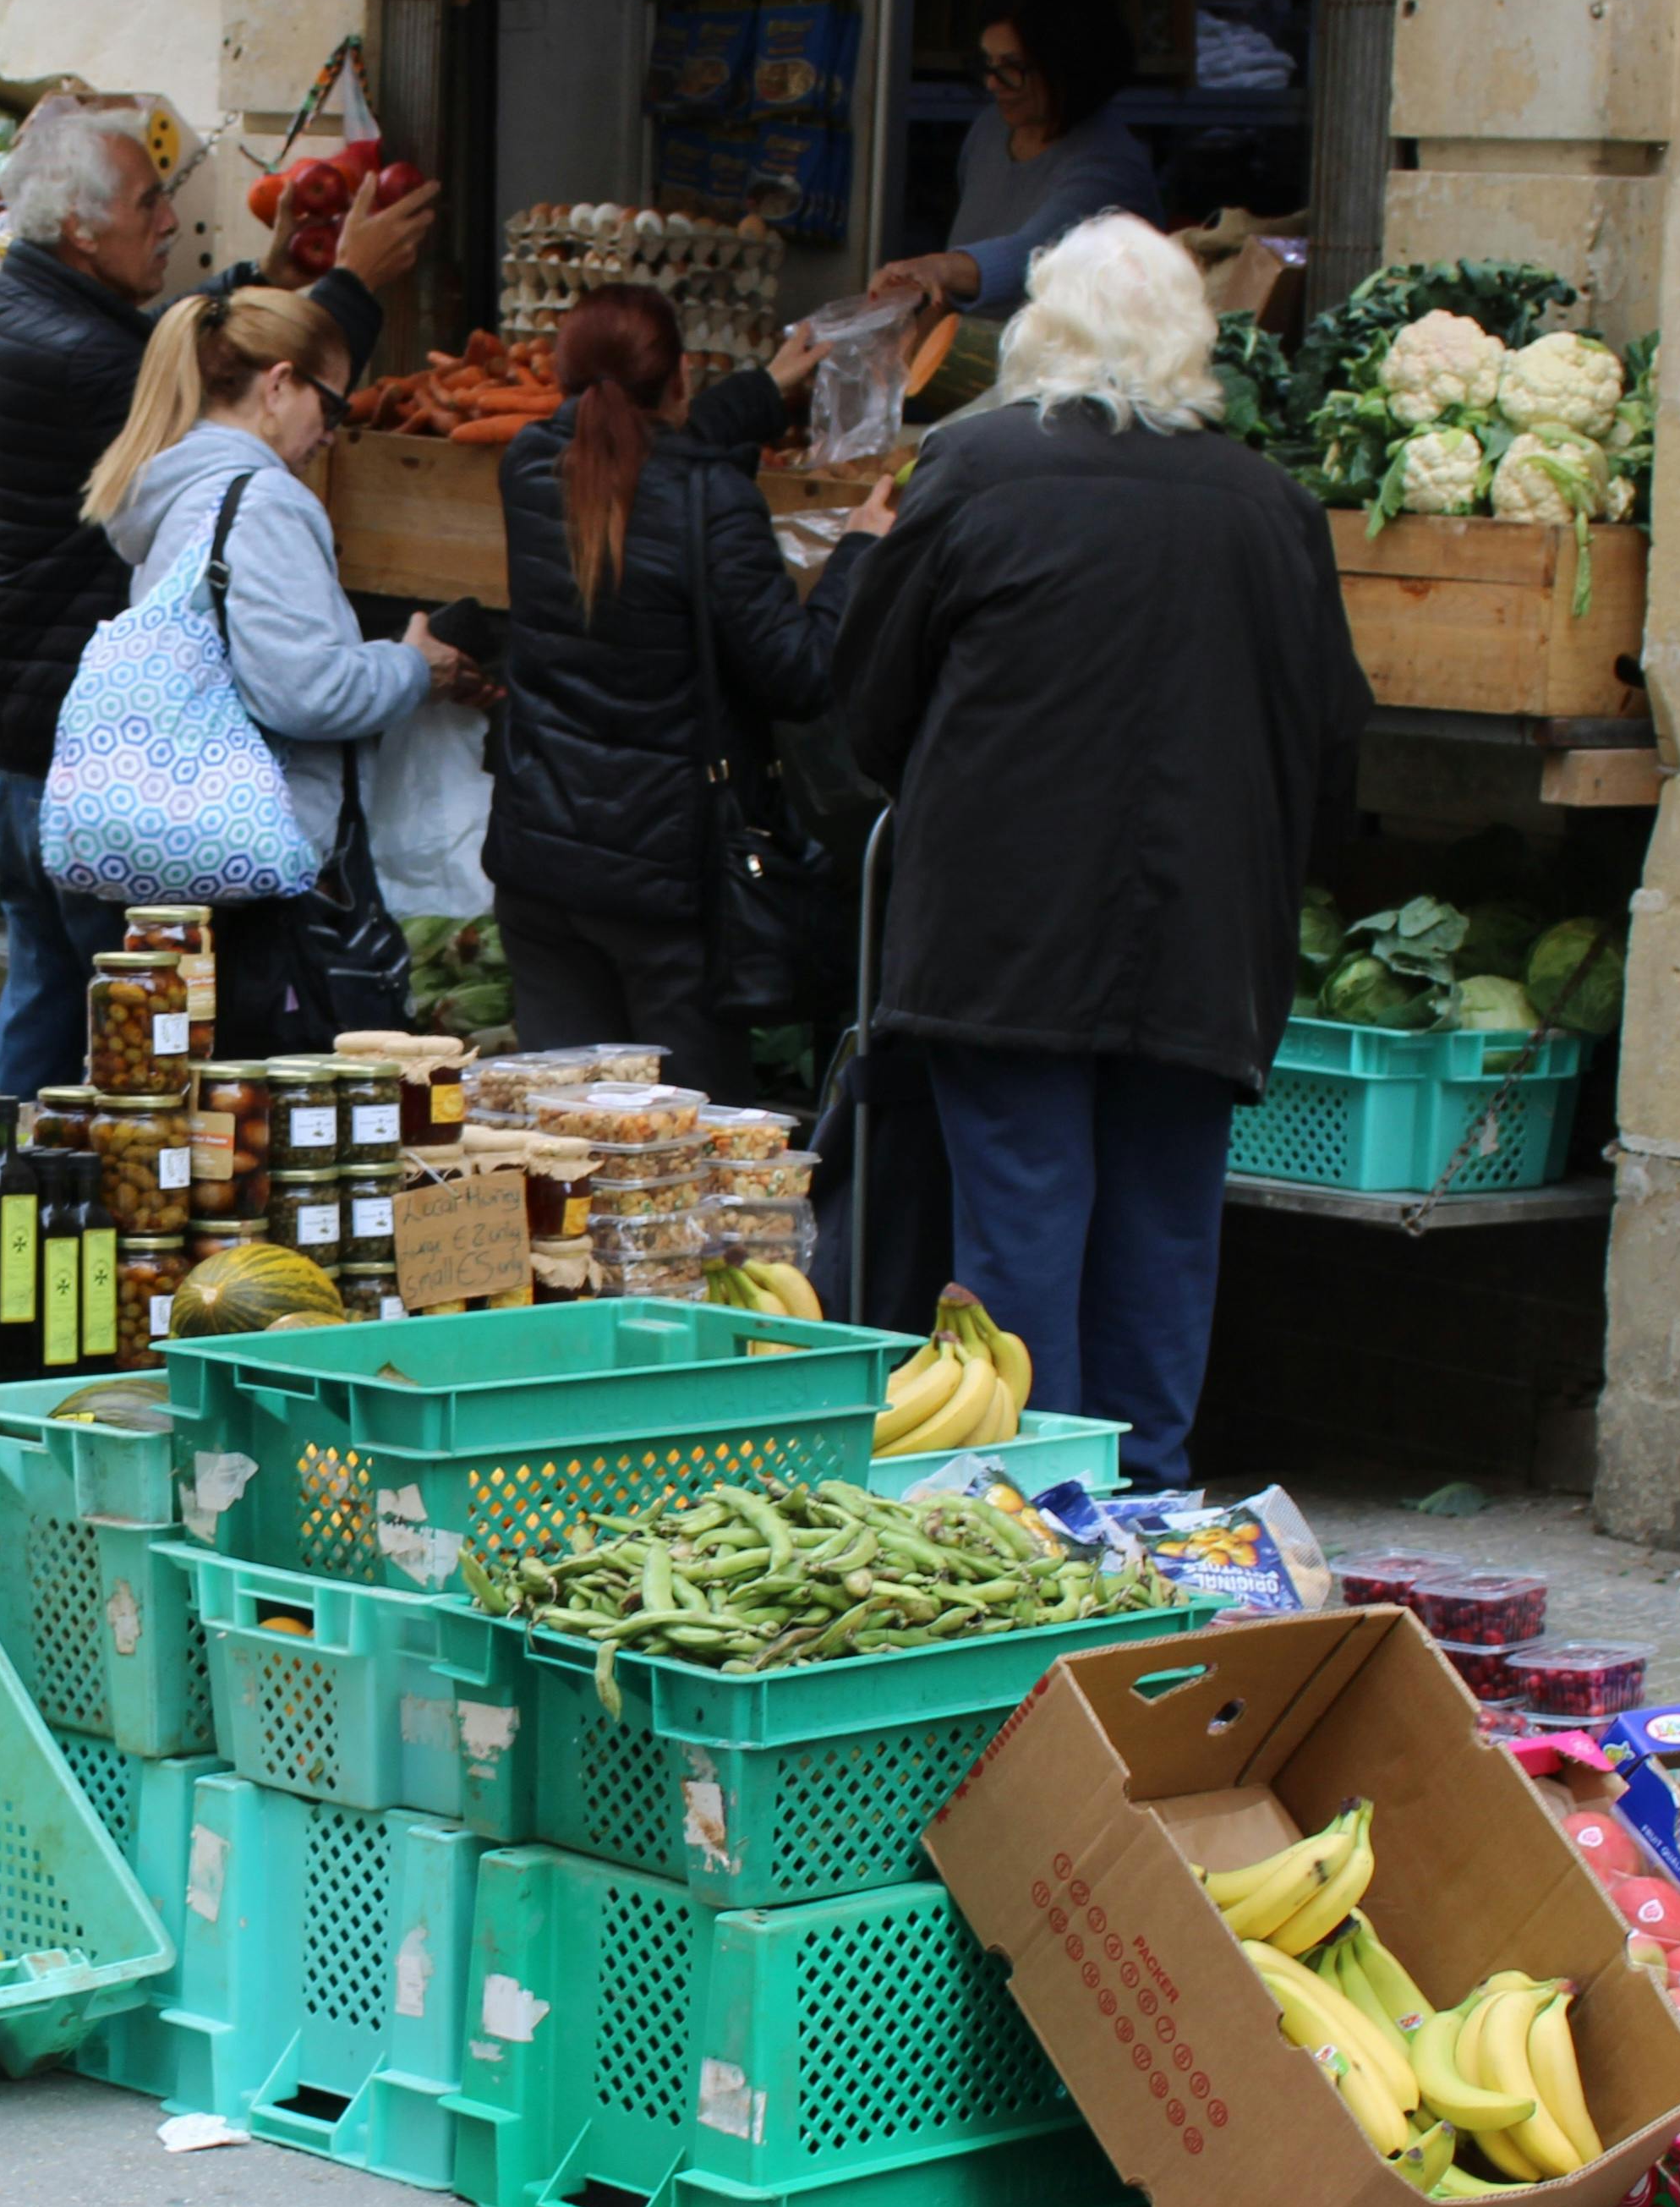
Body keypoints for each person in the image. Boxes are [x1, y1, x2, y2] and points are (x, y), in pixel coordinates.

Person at [835, 212, 1369, 1488]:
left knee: (1020, 1215)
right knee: (1163, 1225)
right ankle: (1152, 1499)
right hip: (1200, 935)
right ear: (1193, 340)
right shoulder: (1272, 506)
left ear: (1041, 330)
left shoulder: (975, 471)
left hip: (1002, 932)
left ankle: (1046, 1500)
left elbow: (869, 702)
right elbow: (1332, 737)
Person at [0, 104, 440, 1093]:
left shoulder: (5, 313)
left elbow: (192, 351)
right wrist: (345, 289)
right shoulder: (102, 372)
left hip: (54, 774)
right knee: (138, 1072)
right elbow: (207, 377)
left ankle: (18, 1189)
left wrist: (261, 282)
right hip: (126, 792)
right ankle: (56, 1187)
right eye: (149, 202)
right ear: (81, 228)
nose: (171, 218)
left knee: (59, 1037)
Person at [486, 285, 867, 1098]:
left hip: (541, 864)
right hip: (667, 885)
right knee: (685, 1141)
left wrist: (760, 394)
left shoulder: (526, 466)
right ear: (681, 376)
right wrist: (861, 554)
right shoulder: (715, 502)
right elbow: (798, 676)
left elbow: (649, 458)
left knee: (560, 1129)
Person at [86, 285, 484, 1059]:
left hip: (191, 854)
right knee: (274, 1100)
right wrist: (413, 666)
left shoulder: (177, 493)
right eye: (330, 406)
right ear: (277, 385)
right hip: (264, 868)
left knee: (204, 1087)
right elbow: (306, 691)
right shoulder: (262, 502)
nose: (331, 433)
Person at [865, 0, 1165, 325]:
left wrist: (939, 268)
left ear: (1068, 67)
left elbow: (1036, 256)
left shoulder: (1111, 166)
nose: (993, 83)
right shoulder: (990, 130)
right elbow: (951, 301)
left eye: (1012, 67)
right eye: (988, 64)